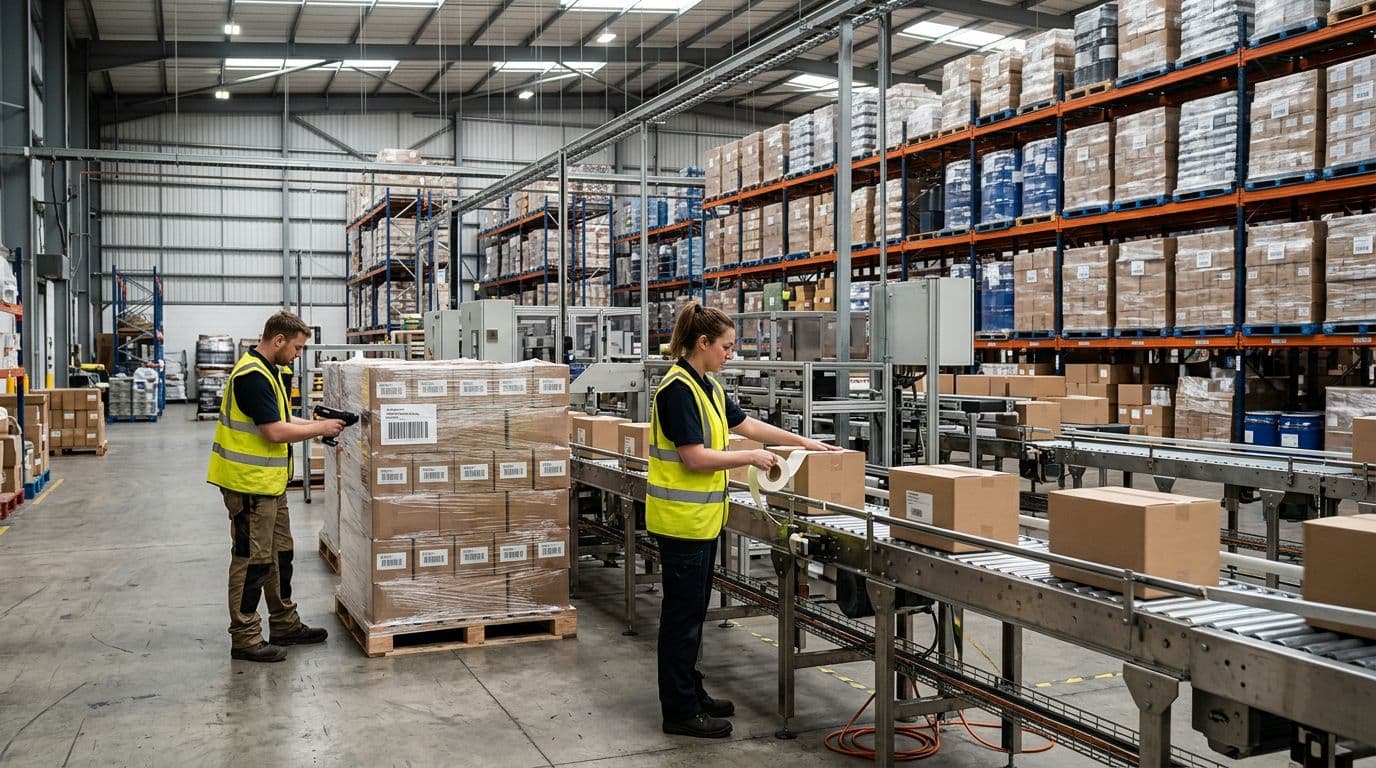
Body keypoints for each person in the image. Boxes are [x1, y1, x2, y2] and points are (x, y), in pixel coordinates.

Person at [648, 300, 844, 738]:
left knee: (693, 616)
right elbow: (694, 457)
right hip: (681, 524)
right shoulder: (677, 390)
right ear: (703, 343)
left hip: (702, 521)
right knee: (681, 620)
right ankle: (679, 711)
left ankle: (690, 690)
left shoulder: (708, 387)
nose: (731, 354)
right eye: (727, 346)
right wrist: (750, 458)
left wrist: (805, 443)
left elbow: (748, 425)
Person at [206, 310, 345, 663]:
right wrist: (320, 430)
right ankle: (245, 637)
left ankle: (284, 623)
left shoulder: (269, 371)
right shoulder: (251, 376)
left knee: (281, 555)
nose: (297, 355)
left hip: (270, 485)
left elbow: (280, 418)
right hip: (249, 488)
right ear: (278, 340)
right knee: (252, 561)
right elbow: (273, 431)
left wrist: (317, 423)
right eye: (296, 348)